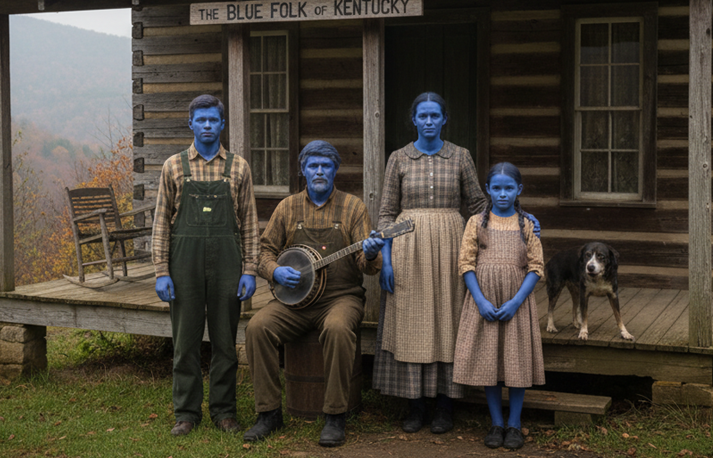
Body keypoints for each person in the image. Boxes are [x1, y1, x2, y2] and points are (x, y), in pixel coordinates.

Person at [243, 141, 386, 447]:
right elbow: (264, 252)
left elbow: (368, 268)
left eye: (325, 165)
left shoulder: (353, 207)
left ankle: (335, 415)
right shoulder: (287, 207)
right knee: (256, 327)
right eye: (313, 166)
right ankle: (268, 413)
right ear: (303, 171)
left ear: (335, 170)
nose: (319, 171)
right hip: (293, 301)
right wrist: (275, 271)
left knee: (337, 328)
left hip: (340, 297)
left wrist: (372, 254)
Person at [371, 91, 487, 433]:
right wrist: (387, 261)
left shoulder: (460, 157)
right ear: (414, 119)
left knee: (446, 322)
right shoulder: (400, 159)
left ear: (444, 119)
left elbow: (479, 205)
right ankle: (414, 405)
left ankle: (445, 405)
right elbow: (387, 213)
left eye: (435, 115)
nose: (429, 121)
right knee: (411, 325)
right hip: (408, 250)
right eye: (423, 116)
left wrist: (519, 221)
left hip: (452, 246)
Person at [150, 94, 259, 436]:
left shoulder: (239, 167)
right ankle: (186, 413)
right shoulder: (174, 166)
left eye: (214, 120)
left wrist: (250, 270)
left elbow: (251, 224)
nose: (208, 126)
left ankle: (225, 412)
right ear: (191, 124)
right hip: (184, 264)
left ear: (222, 124)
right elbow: (161, 223)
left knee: (226, 342)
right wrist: (161, 272)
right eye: (202, 120)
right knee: (185, 342)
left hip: (228, 262)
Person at [452, 162, 545, 450]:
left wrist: (517, 301)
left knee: (515, 362)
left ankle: (514, 424)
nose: (502, 194)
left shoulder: (527, 224)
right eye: (496, 188)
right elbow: (466, 263)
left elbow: (536, 267)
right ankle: (495, 422)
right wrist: (480, 300)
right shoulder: (476, 223)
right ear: (488, 190)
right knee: (489, 361)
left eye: (508, 188)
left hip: (516, 302)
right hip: (485, 301)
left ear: (519, 190)